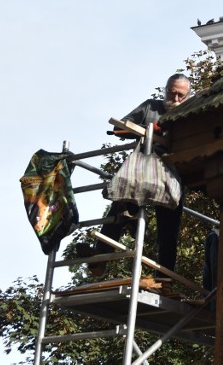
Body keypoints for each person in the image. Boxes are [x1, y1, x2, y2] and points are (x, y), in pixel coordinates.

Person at [80, 74, 191, 278]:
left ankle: (164, 278)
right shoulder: (151, 107)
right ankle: (100, 257)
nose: (175, 100)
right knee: (121, 204)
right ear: (166, 90)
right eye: (172, 93)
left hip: (171, 174)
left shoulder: (192, 112)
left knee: (168, 228)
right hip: (142, 170)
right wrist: (148, 130)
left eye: (181, 96)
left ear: (188, 96)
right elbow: (120, 128)